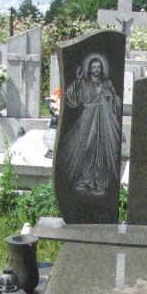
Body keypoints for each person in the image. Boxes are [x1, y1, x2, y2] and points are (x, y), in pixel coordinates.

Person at [62, 57, 122, 196]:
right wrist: (77, 81)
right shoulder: (83, 83)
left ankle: (100, 181)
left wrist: (111, 96)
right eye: (94, 67)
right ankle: (86, 178)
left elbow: (117, 103)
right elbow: (71, 97)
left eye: (99, 67)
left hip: (103, 120)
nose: (96, 70)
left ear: (102, 68)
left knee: (101, 149)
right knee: (87, 147)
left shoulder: (107, 83)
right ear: (89, 69)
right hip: (87, 119)